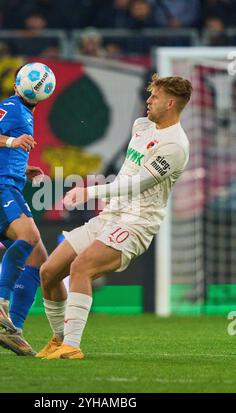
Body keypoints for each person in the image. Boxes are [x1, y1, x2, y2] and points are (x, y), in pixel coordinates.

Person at [37, 74, 193, 359]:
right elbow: (127, 172)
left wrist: (89, 192)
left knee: (82, 267)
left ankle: (72, 346)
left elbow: (138, 183)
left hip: (136, 224)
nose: (148, 100)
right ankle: (59, 340)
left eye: (155, 97)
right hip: (109, 216)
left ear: (170, 103)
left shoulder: (175, 147)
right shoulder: (141, 126)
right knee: (48, 272)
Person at [0, 65, 48, 356]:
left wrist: (20, 167)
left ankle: (13, 330)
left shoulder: (19, 112)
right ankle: (0, 301)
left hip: (3, 185)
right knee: (28, 238)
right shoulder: (11, 107)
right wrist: (12, 142)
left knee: (38, 259)